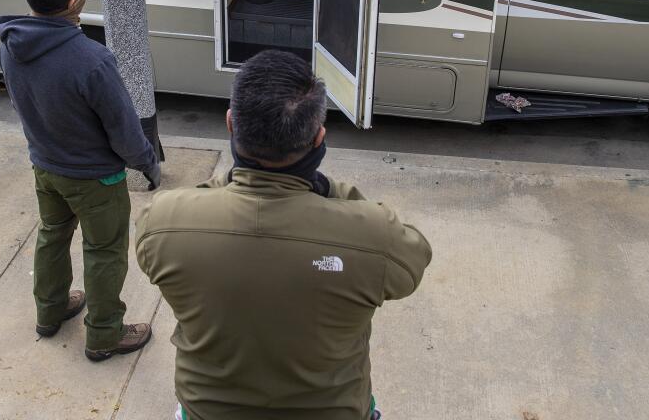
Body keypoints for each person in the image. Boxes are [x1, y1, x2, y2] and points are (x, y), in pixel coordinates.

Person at [136, 50, 433, 419]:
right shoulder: (375, 236)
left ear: (231, 123)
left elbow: (189, 212)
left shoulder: (162, 222)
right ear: (318, 138)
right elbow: (415, 260)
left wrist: (232, 180)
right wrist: (328, 189)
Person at [0, 0, 160, 362]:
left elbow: (24, 105)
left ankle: (50, 311)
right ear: (74, 2)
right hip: (96, 180)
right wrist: (146, 162)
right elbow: (124, 130)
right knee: (104, 250)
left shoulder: (11, 46)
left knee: (52, 234)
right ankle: (105, 334)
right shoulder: (92, 60)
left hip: (46, 167)